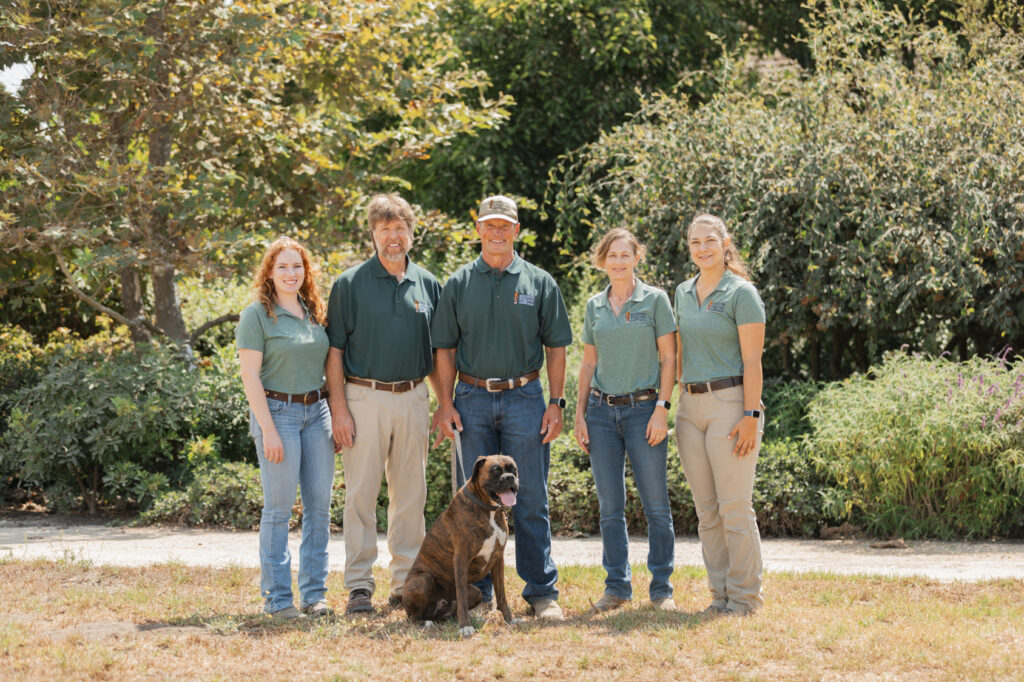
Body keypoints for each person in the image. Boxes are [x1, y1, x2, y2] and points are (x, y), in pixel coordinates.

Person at [431, 195, 573, 621]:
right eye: (489, 225)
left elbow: (557, 347)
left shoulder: (539, 282)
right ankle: (476, 596)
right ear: (478, 230)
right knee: (471, 505)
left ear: (516, 230)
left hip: (525, 398)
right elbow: (444, 348)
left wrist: (555, 403)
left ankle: (542, 592)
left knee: (528, 499)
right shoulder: (457, 283)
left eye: (504, 225)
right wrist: (444, 403)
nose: (497, 232)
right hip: (470, 399)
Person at [325, 194, 442, 615]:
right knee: (361, 494)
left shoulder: (428, 284)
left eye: (400, 229)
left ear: (412, 233)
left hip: (412, 396)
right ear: (372, 234)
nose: (393, 237)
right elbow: (334, 351)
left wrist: (443, 404)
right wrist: (339, 409)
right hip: (363, 397)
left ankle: (405, 583)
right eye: (384, 229)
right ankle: (358, 585)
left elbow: (438, 354)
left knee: (411, 494)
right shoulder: (350, 284)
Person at [573, 228, 677, 613]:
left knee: (655, 504)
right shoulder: (594, 306)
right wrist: (580, 415)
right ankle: (616, 587)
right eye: (611, 255)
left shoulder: (655, 301)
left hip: (643, 411)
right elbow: (588, 363)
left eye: (625, 255)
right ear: (603, 261)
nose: (618, 261)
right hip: (600, 414)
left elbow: (669, 358)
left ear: (637, 258)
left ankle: (662, 589)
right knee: (609, 506)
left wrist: (663, 409)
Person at [236, 237, 334, 620]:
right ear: (270, 273)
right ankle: (278, 599)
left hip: (317, 414)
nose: (291, 274)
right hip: (278, 414)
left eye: (297, 267)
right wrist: (269, 430)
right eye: (283, 267)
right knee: (278, 511)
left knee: (319, 510)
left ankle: (314, 596)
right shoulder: (257, 315)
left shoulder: (314, 311)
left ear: (305, 271)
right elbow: (249, 377)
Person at [674, 213, 766, 616]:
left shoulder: (741, 293)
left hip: (731, 404)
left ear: (725, 243)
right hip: (689, 409)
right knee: (707, 512)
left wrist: (751, 414)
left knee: (733, 507)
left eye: (710, 240)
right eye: (695, 242)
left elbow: (753, 360)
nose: (703, 248)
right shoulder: (681, 292)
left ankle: (745, 599)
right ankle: (719, 596)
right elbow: (675, 353)